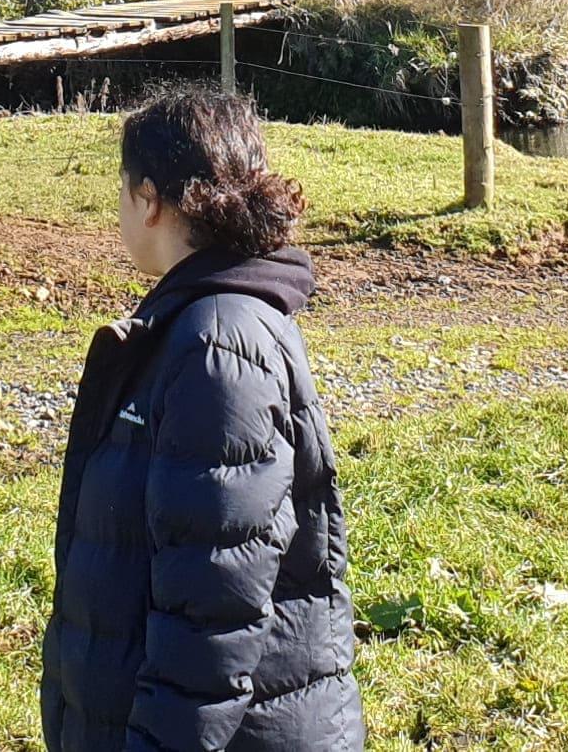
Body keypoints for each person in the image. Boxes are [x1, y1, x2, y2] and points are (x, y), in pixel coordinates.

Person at [42, 85, 365, 752]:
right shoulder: (197, 325)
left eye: (122, 191)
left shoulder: (217, 344)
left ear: (149, 199)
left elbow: (213, 606)